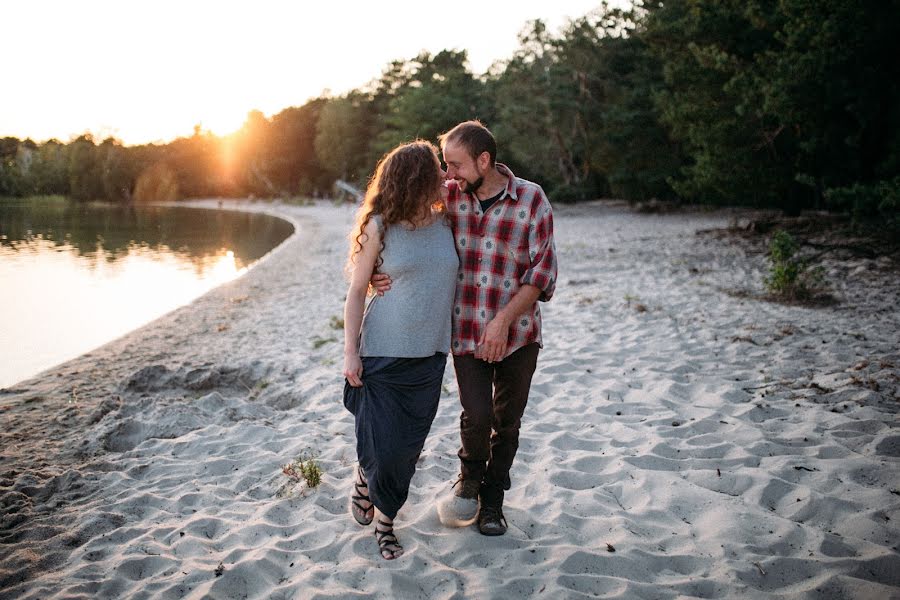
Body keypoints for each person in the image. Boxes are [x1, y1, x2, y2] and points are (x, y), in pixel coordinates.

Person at [372, 120, 557, 536]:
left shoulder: (531, 199)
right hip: (466, 330)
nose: (448, 174)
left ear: (484, 160)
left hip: (519, 333)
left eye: (455, 164)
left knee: (507, 420)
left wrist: (504, 322)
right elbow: (395, 222)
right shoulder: (448, 198)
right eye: (445, 165)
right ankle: (469, 479)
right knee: (476, 414)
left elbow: (543, 273)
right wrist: (373, 274)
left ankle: (493, 501)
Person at [342, 140, 459, 560]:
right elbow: (357, 292)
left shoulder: (449, 221)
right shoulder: (379, 225)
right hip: (382, 351)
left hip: (430, 353)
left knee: (407, 447)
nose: (445, 177)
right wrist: (350, 352)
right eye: (437, 172)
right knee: (387, 448)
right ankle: (386, 525)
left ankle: (365, 479)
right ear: (416, 180)